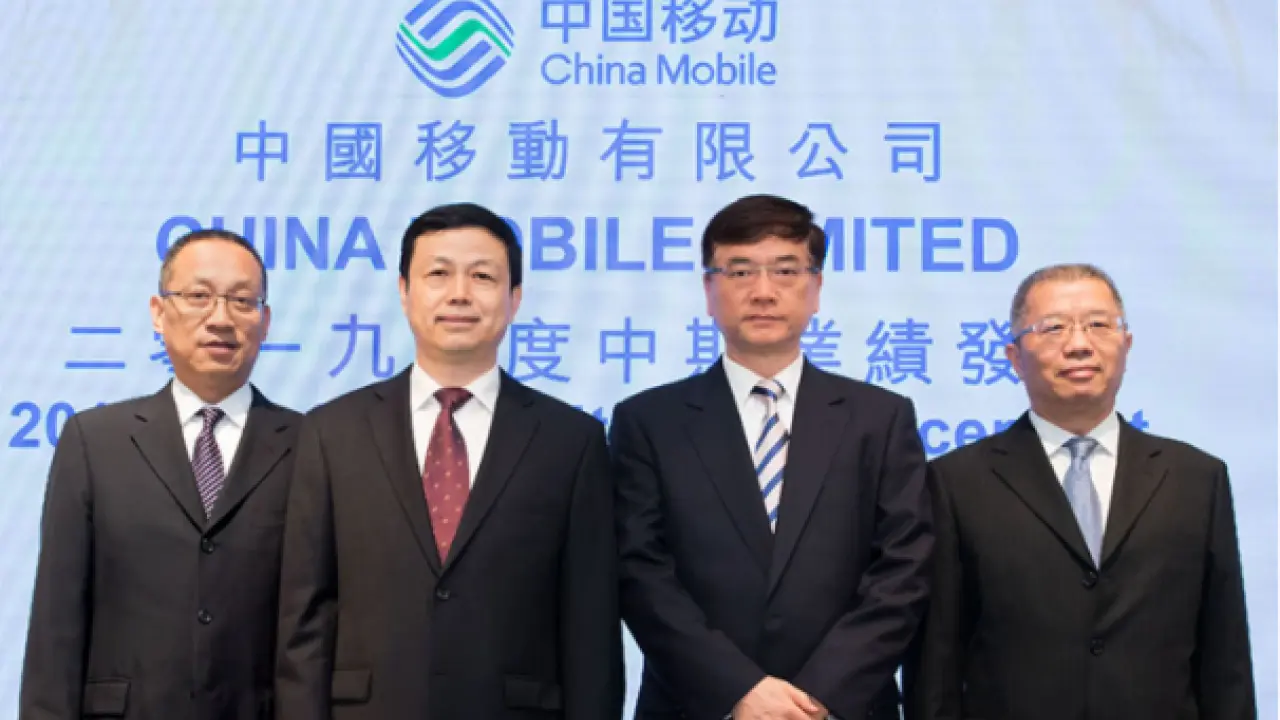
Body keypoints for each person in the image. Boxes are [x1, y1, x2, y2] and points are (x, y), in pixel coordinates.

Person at [275, 202, 623, 720]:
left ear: (514, 298)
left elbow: (590, 629)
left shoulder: (571, 441)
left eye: (482, 276)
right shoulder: (332, 431)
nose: (459, 293)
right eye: (438, 274)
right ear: (404, 291)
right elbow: (305, 618)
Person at [611, 194, 934, 720]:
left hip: (841, 709)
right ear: (708, 290)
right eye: (740, 271)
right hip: (698, 707)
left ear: (816, 288)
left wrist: (817, 696)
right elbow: (641, 574)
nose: (763, 292)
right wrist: (739, 690)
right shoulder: (648, 422)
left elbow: (904, 568)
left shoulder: (879, 418)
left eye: (785, 271)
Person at [903, 263, 1257, 720]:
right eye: (1054, 328)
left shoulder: (1195, 478)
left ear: (1126, 344)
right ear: (1014, 357)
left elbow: (1226, 657)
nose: (1079, 345)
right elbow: (936, 662)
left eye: (1098, 325)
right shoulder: (956, 481)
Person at [20, 229, 300, 719]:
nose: (220, 318)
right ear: (158, 312)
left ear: (265, 320)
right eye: (198, 296)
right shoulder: (95, 442)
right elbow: (56, 622)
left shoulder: (308, 444)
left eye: (241, 301)